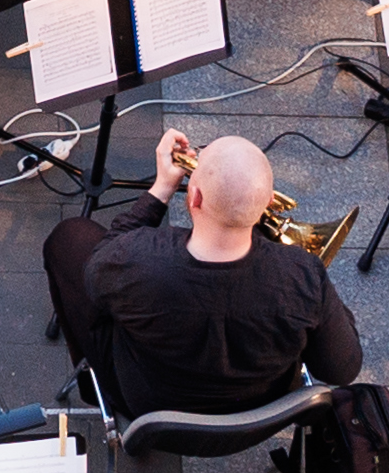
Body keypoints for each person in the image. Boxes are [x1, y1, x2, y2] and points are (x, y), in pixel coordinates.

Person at [45, 125, 362, 418]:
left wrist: (160, 190)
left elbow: (96, 273)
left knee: (69, 238)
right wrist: (319, 301)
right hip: (260, 412)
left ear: (193, 196)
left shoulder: (137, 259)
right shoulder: (303, 275)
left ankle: (94, 389)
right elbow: (342, 370)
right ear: (268, 202)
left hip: (151, 410)